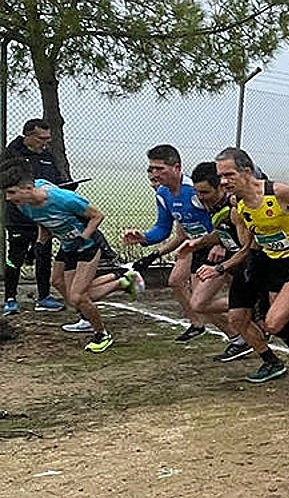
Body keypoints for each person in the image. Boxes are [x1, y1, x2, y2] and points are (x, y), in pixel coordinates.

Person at [214, 147, 289, 392]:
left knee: (272, 323)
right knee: (283, 323)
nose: (224, 181)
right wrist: (243, 262)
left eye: (229, 175)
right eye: (220, 176)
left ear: (246, 171)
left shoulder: (277, 192)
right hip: (272, 265)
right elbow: (252, 240)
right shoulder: (239, 205)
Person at [0, 157, 143, 352]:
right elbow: (44, 220)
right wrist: (40, 244)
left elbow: (97, 215)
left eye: (11, 192)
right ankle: (122, 282)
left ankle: (102, 334)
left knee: (77, 296)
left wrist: (83, 237)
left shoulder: (63, 199)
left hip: (87, 246)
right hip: (68, 247)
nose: (8, 198)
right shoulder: (23, 203)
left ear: (28, 188)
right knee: (59, 284)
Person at [121, 144, 217, 343]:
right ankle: (198, 324)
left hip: (216, 245)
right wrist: (144, 237)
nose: (154, 174)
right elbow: (163, 228)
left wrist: (219, 243)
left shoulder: (194, 190)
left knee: (204, 300)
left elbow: (220, 217)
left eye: (159, 169)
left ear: (177, 168)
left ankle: (242, 329)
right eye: (151, 169)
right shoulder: (163, 194)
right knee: (176, 282)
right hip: (193, 246)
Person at [178, 162, 254, 362]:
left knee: (277, 318)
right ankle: (245, 329)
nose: (200, 197)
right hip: (233, 262)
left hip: (251, 263)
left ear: (220, 186)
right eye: (197, 192)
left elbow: (247, 245)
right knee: (199, 303)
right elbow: (221, 232)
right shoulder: (213, 205)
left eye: (204, 192)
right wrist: (197, 243)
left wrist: (220, 268)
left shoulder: (236, 206)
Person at [3, 119, 66, 314]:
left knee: (43, 255)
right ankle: (10, 298)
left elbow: (56, 179)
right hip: (19, 217)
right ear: (28, 135)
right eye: (41, 138)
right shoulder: (11, 154)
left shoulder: (47, 155)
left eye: (48, 139)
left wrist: (65, 186)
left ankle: (44, 297)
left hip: (44, 217)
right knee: (15, 257)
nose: (45, 143)